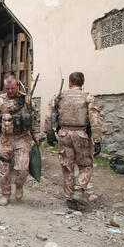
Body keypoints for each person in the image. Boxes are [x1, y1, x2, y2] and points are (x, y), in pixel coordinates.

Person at [44, 72, 102, 210]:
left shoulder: (59, 96)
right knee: (86, 165)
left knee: (67, 166)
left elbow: (48, 115)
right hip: (81, 134)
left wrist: (49, 133)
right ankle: (79, 189)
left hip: (64, 134)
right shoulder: (88, 97)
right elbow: (95, 119)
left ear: (70, 82)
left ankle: (70, 197)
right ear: (82, 82)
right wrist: (97, 139)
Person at [0, 74, 40, 206]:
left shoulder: (26, 100)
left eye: (12, 88)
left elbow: (34, 119)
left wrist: (36, 135)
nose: (10, 91)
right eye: (7, 88)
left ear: (17, 86)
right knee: (4, 170)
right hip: (5, 138)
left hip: (22, 138)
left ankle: (19, 185)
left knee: (23, 168)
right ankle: (5, 194)